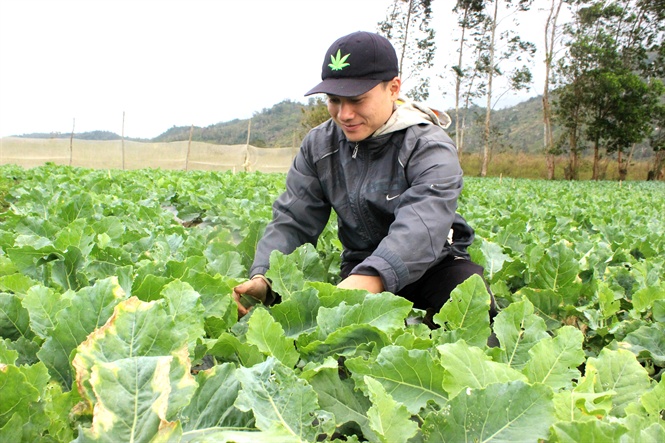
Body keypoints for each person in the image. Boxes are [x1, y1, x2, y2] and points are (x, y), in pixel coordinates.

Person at [232, 31, 493, 327]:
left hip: (435, 267)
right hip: (359, 266)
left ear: (393, 88)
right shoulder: (320, 145)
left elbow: (423, 224)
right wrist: (264, 277)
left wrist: (372, 277)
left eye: (357, 100)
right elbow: (294, 219)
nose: (344, 114)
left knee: (475, 322)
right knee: (337, 352)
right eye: (334, 100)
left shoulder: (428, 144)